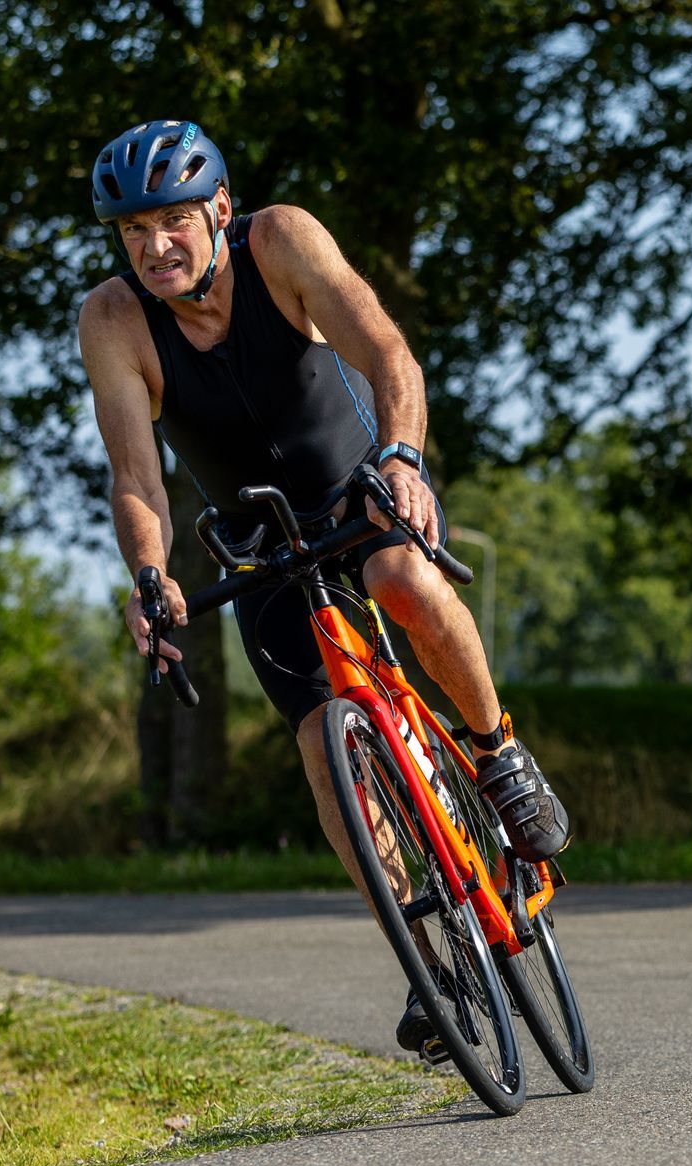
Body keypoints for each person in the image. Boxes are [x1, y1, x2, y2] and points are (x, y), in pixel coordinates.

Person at [77, 119, 567, 1052]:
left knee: (401, 578)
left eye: (173, 220)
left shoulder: (282, 241)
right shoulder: (113, 321)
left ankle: (499, 754)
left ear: (220, 208)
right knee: (320, 741)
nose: (154, 246)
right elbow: (137, 477)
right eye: (133, 230)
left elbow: (388, 354)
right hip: (259, 545)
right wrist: (149, 575)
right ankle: (430, 962)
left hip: (362, 488)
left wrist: (403, 459)